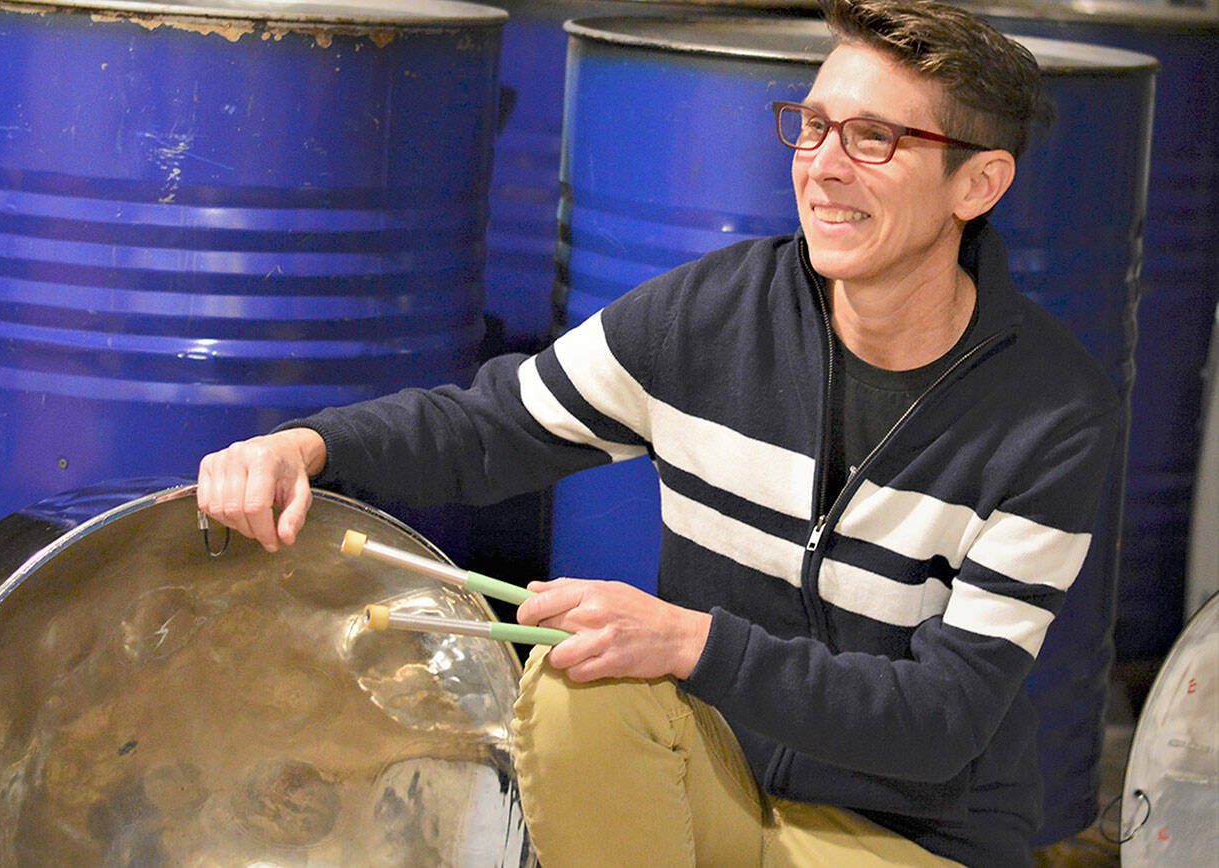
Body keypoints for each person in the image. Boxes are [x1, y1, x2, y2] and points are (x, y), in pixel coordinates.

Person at [196, 0, 1119, 864]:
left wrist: (693, 645)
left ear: (980, 182)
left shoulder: (1049, 416)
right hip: (713, 786)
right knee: (577, 687)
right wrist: (307, 447)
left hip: (910, 838)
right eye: (813, 123)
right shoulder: (716, 315)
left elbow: (943, 719)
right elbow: (490, 428)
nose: (824, 164)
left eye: (874, 138)